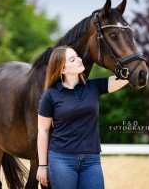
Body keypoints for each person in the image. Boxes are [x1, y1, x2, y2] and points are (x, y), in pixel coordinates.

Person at [36, 46, 128, 189]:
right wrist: (42, 166)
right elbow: (43, 131)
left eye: (77, 56)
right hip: (61, 160)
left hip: (91, 160)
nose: (79, 60)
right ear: (63, 69)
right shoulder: (50, 95)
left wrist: (134, 60)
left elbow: (126, 77)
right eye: (72, 60)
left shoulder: (94, 86)